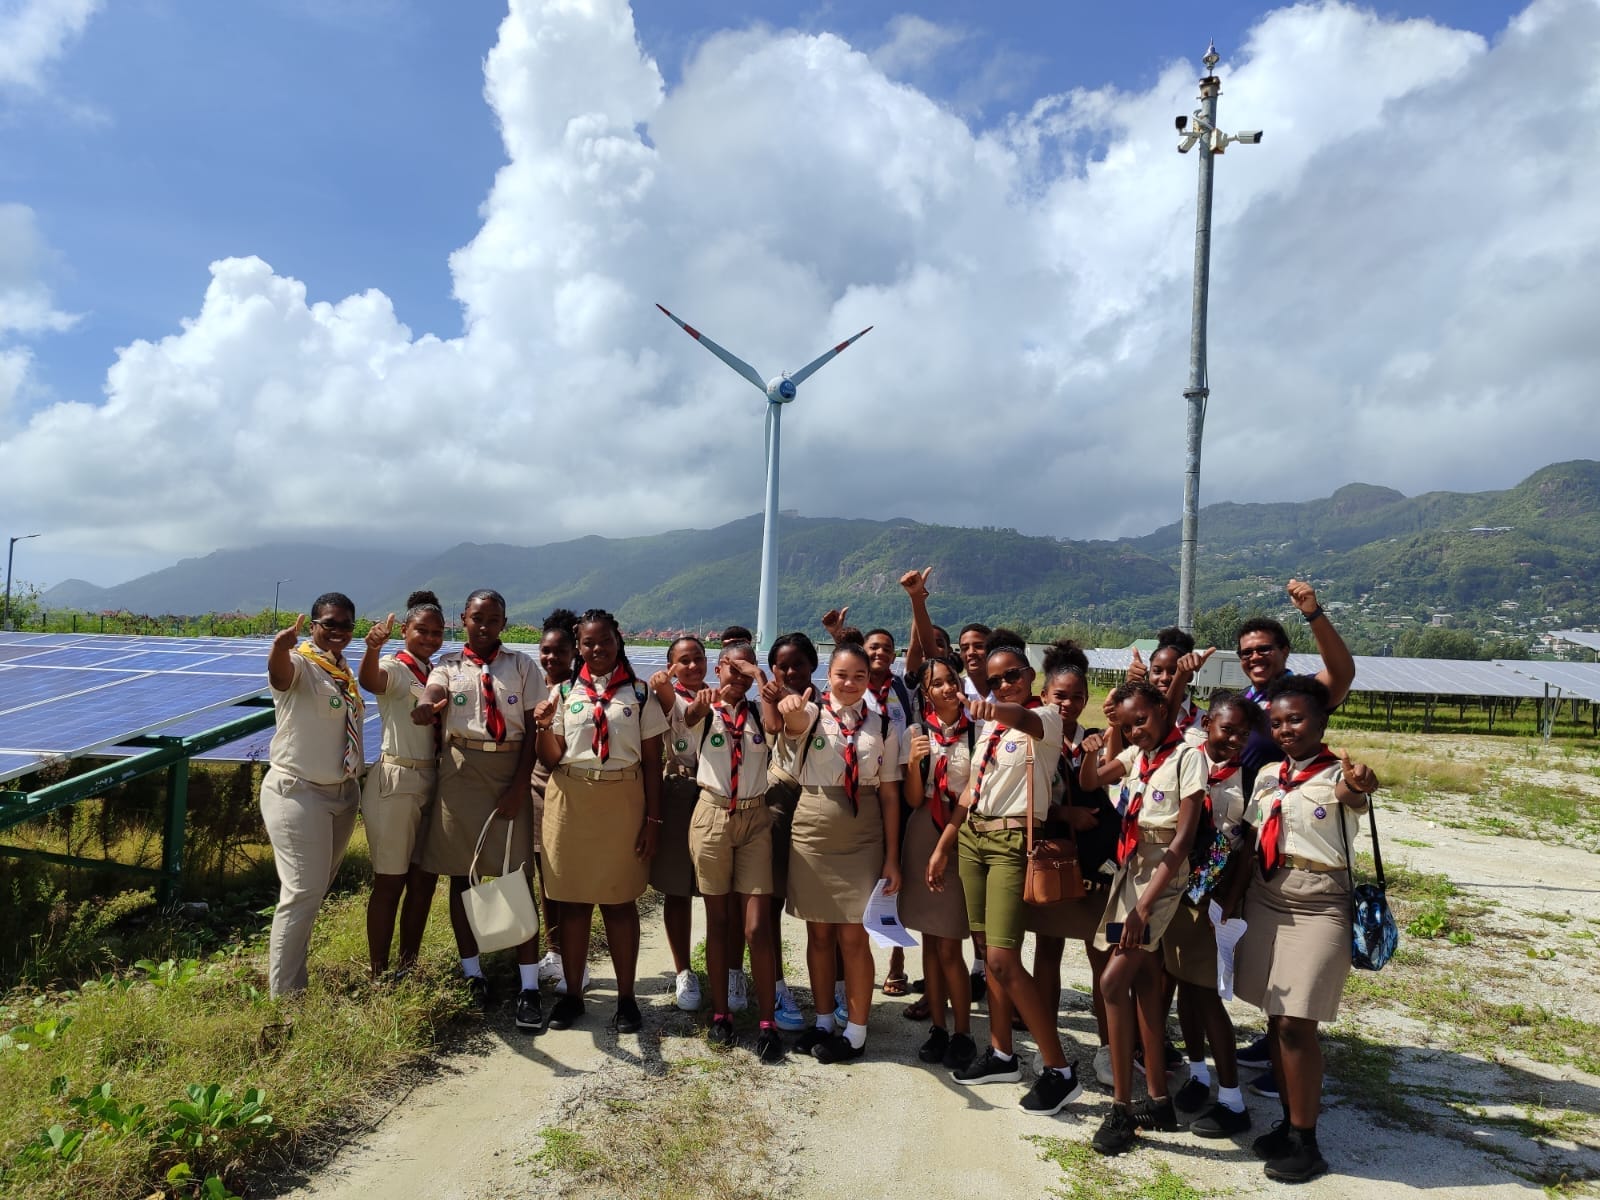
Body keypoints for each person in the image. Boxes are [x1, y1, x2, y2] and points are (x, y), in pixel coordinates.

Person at [926, 632, 1084, 1117]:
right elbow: (971, 791)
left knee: (1002, 958)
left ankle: (1058, 1069)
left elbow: (1021, 716)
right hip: (974, 837)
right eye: (994, 681)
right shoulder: (991, 732)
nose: (1003, 685)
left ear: (1030, 676)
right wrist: (942, 845)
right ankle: (1001, 1053)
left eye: (1012, 675)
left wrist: (990, 707)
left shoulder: (1046, 718)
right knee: (985, 950)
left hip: (1013, 841)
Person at [1228, 676, 1378, 1183]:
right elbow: (1250, 841)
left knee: (1297, 1022)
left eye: (1296, 719)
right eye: (1276, 723)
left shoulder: (1338, 774)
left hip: (1319, 905)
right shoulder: (1270, 775)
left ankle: (1307, 1142)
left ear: (1321, 721)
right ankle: (1289, 1125)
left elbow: (1352, 794)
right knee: (1274, 1016)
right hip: (1267, 897)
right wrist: (1230, 903)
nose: (1286, 729)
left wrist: (1359, 784)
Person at [1079, 680, 1206, 1154]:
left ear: (1163, 709)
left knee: (1113, 982)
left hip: (1162, 879)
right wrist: (1095, 748)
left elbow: (1183, 840)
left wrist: (1145, 907)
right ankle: (1158, 1100)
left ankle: (1121, 1110)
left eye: (1143, 720)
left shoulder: (1187, 755)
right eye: (1128, 725)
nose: (1137, 731)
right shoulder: (1137, 757)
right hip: (1130, 873)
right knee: (1144, 981)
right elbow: (1093, 781)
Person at [413, 590, 548, 1032]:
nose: (484, 625)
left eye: (493, 618)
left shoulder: (523, 666)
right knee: (463, 875)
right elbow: (433, 693)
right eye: (476, 617)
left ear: (504, 623)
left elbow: (530, 733)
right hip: (461, 771)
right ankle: (473, 974)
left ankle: (528, 986)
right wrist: (426, 706)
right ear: (463, 620)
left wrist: (518, 786)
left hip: (510, 767)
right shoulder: (448, 666)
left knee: (515, 876)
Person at [533, 609, 667, 1035]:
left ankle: (627, 1000)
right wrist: (541, 727)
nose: (596, 649)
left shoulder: (640, 694)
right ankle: (573, 995)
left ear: (617, 640)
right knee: (572, 901)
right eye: (588, 643)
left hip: (622, 800)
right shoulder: (563, 692)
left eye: (604, 641)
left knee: (619, 902)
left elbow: (652, 763)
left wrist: (652, 821)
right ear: (579, 647)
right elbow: (551, 757)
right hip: (571, 800)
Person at [780, 642, 903, 1063]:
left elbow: (889, 794)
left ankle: (856, 1030)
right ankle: (824, 1020)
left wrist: (891, 856)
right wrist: (790, 703)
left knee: (853, 935)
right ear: (827, 676)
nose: (849, 684)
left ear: (869, 680)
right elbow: (793, 723)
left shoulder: (883, 724)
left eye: (859, 677)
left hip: (863, 830)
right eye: (841, 675)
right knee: (818, 933)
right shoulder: (813, 714)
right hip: (813, 826)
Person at [1162, 690, 1258, 1138]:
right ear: (1209, 724)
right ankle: (1198, 1073)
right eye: (1227, 728)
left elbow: (1247, 850)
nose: (1235, 738)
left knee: (1208, 995)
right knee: (1185, 983)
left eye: (1243, 731)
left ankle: (1232, 1098)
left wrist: (1230, 902)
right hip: (1177, 889)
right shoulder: (1188, 758)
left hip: (1213, 895)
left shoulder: (1250, 777)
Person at [1024, 641, 1119, 1087]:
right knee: (1047, 948)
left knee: (1100, 954)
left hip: (1096, 860)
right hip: (1052, 858)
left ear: (1087, 701)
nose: (1067, 703)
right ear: (1043, 696)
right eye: (1059, 695)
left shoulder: (1096, 738)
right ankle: (1050, 1042)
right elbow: (1025, 801)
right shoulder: (1031, 739)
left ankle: (1109, 1047)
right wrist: (1065, 815)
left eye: (1077, 697)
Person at [260, 594, 364, 997]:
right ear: (314, 625)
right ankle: (285, 999)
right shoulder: (302, 664)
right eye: (330, 624)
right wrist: (278, 648)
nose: (338, 632)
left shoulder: (340, 671)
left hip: (341, 795)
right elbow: (280, 676)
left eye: (345, 626)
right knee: (302, 891)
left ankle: (294, 981)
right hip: (298, 793)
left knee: (314, 893)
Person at [692, 642, 786, 1062]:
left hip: (754, 819)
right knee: (719, 920)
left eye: (746, 671)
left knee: (756, 927)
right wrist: (708, 699)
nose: (739, 677)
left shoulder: (755, 713)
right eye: (732, 667)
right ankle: (721, 1015)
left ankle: (767, 1022)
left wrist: (761, 677)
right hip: (712, 814)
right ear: (718, 667)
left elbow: (776, 725)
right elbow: (689, 720)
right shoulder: (704, 709)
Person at [356, 590, 446, 979]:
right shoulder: (397, 668)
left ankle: (408, 967)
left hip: (435, 780)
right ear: (405, 630)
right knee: (390, 881)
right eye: (421, 630)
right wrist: (373, 649)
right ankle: (379, 973)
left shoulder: (438, 674)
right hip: (397, 779)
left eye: (437, 632)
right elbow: (370, 680)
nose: (428, 638)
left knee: (423, 881)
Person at [899, 653, 977, 1070]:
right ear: (926, 693)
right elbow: (914, 799)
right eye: (938, 683)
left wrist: (945, 847)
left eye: (952, 679)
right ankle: (939, 1027)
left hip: (959, 835)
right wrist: (913, 764)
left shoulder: (978, 732)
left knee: (949, 944)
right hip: (923, 833)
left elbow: (971, 794)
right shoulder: (916, 732)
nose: (948, 688)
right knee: (930, 940)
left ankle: (963, 1032)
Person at [1235, 581, 1356, 789]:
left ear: (1285, 651)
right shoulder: (1240, 700)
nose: (1254, 657)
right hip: (1238, 814)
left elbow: (1342, 673)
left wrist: (1314, 614)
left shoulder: (1302, 694)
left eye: (1263, 649)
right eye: (1246, 653)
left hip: (1284, 809)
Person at [761, 631, 819, 1033]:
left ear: (814, 664)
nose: (791, 671)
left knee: (825, 904)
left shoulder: (833, 704)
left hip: (820, 803)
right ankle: (777, 986)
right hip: (779, 799)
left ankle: (832, 987)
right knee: (771, 900)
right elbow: (774, 727)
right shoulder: (766, 703)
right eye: (783, 665)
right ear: (773, 670)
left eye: (799, 663)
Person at [648, 635, 709, 1013]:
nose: (692, 666)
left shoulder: (719, 696)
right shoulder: (658, 698)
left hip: (715, 793)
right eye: (683, 660)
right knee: (676, 886)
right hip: (678, 791)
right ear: (670, 664)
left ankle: (730, 966)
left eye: (698, 658)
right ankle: (683, 969)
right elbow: (681, 724)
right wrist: (664, 690)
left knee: (720, 888)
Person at [532, 608, 580, 990]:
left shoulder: (581, 691)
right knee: (544, 876)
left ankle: (573, 956)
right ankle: (554, 952)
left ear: (573, 652)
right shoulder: (531, 686)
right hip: (535, 790)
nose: (552, 658)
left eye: (560, 652)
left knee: (567, 878)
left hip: (574, 793)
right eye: (546, 651)